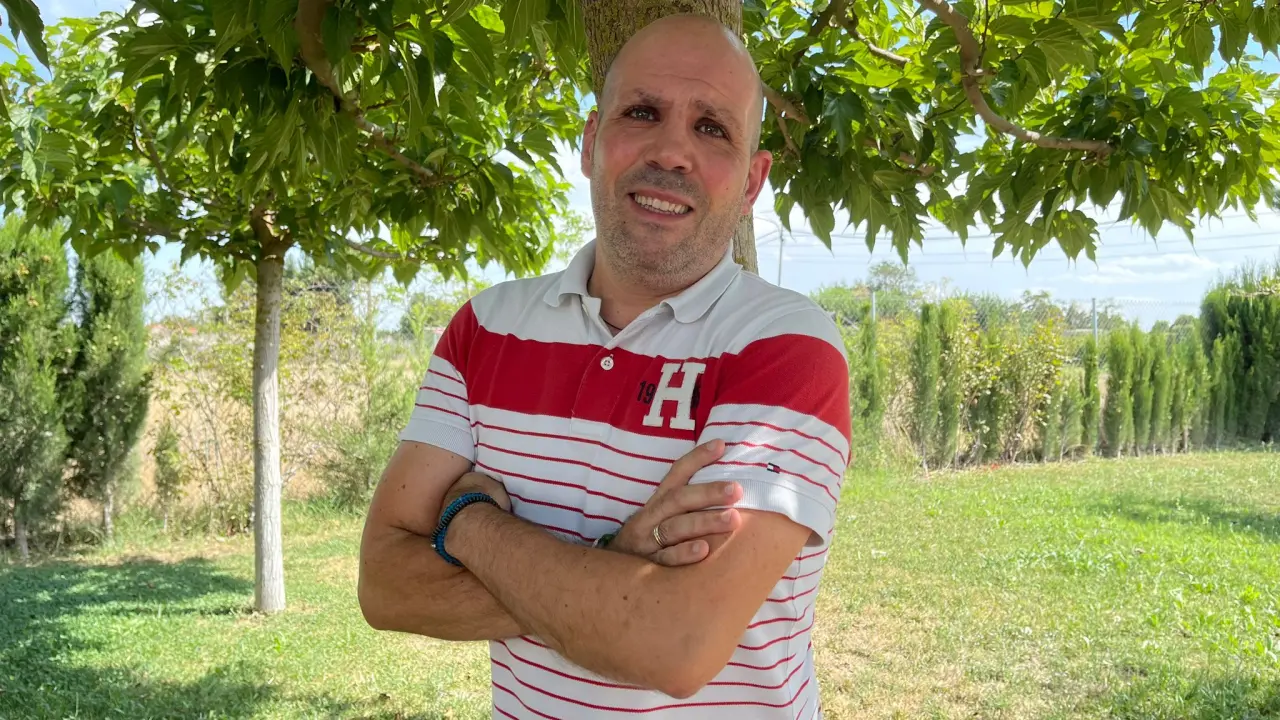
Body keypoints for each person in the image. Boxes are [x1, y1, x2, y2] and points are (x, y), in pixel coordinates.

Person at [358, 13, 851, 719]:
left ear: (752, 180)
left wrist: (468, 522)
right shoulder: (485, 328)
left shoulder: (785, 348)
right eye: (642, 112)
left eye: (712, 128)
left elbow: (674, 644)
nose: (672, 151)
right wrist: (618, 562)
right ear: (591, 143)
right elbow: (385, 586)